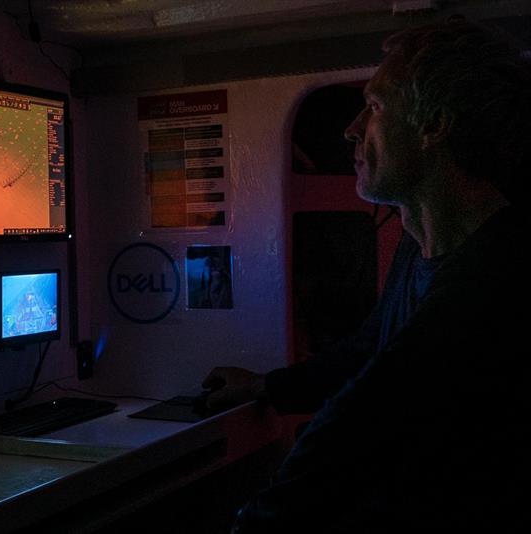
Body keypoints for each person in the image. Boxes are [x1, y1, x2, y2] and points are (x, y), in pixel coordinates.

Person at [203, 19, 531, 532]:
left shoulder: (498, 277)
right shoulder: (419, 245)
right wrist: (268, 386)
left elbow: (366, 420)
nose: (352, 128)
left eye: (375, 107)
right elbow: (370, 348)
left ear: (434, 125)